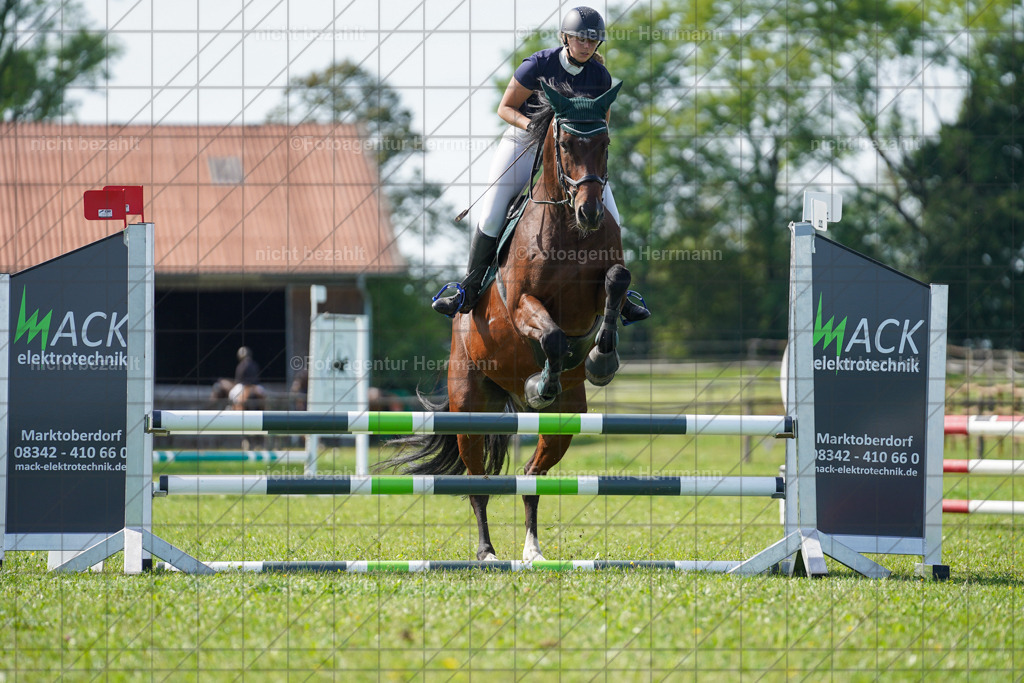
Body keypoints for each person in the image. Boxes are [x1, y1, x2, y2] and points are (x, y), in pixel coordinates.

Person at [432, 6, 647, 322]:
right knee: (493, 211)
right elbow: (505, 108)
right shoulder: (538, 64)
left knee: (612, 218)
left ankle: (620, 295)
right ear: (566, 38)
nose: (586, 46)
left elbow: (602, 125)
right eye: (580, 39)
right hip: (524, 138)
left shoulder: (600, 76)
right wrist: (539, 128)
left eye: (592, 41)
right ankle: (470, 287)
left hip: (575, 153)